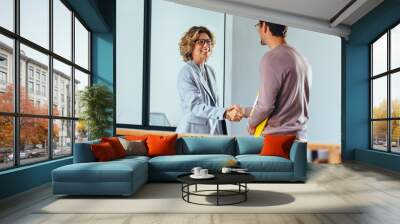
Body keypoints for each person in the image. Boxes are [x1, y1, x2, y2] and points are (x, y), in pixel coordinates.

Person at [237, 21, 311, 140]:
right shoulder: (302, 59)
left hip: (277, 141)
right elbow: (283, 105)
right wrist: (244, 111)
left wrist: (251, 123)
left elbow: (265, 106)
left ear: (265, 26)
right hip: (299, 140)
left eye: (258, 26)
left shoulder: (272, 58)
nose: (258, 31)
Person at [176, 26, 241, 135]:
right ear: (191, 46)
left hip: (211, 132)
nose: (206, 45)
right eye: (201, 42)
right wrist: (225, 113)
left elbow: (213, 105)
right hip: (191, 134)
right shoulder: (186, 72)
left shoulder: (210, 71)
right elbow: (195, 106)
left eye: (208, 42)